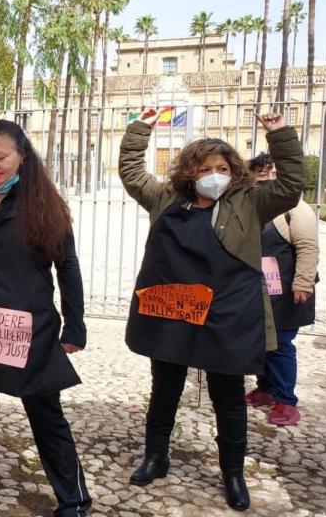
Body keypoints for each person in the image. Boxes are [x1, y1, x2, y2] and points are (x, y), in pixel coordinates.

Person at [119, 109, 304, 512]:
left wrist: (280, 135)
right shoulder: (164, 199)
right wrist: (139, 130)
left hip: (228, 318)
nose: (214, 175)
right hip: (174, 314)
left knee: (229, 397)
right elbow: (132, 173)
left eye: (222, 168)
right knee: (164, 389)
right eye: (205, 169)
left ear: (234, 172)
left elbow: (292, 184)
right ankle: (155, 456)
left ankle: (232, 473)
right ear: (189, 172)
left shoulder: (251, 203)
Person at [0, 120, 91, 516]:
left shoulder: (44, 204)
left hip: (30, 330)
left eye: (0, 157)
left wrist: (75, 324)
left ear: (21, 157)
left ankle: (74, 500)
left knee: (46, 415)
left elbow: (68, 267)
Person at [244, 153, 318, 426]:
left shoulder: (296, 208)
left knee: (281, 344)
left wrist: (303, 283)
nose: (268, 179)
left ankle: (286, 400)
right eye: (262, 174)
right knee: (259, 342)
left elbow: (308, 247)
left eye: (273, 174)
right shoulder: (248, 202)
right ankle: (265, 388)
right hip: (254, 287)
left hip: (286, 289)